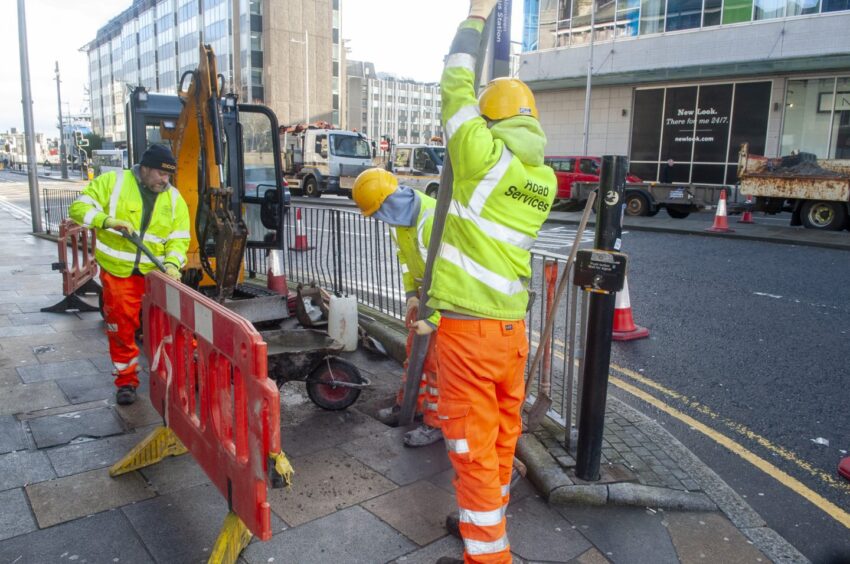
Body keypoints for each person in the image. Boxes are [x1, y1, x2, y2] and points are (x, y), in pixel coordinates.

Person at [410, 1, 556, 561]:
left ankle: (486, 553)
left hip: (468, 334)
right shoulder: (540, 179)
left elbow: (453, 83)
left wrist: (473, 18)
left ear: (490, 120)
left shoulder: (481, 157)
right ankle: (483, 527)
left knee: (472, 453)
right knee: (497, 443)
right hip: (510, 333)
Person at [69, 144, 190, 406]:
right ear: (145, 168)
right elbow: (78, 208)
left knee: (168, 329)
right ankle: (126, 381)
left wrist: (172, 264)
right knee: (121, 328)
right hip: (119, 274)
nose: (165, 180)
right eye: (160, 173)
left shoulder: (174, 198)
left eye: (169, 175)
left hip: (156, 276)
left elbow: (179, 239)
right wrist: (106, 221)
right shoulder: (113, 182)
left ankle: (171, 378)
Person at [352, 167, 443, 447]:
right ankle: (410, 407)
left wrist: (436, 318)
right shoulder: (401, 222)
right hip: (425, 298)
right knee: (414, 355)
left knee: (440, 367)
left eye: (377, 211)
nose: (378, 219)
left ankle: (436, 424)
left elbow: (451, 275)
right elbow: (405, 260)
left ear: (389, 201)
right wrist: (410, 296)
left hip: (443, 304)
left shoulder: (431, 220)